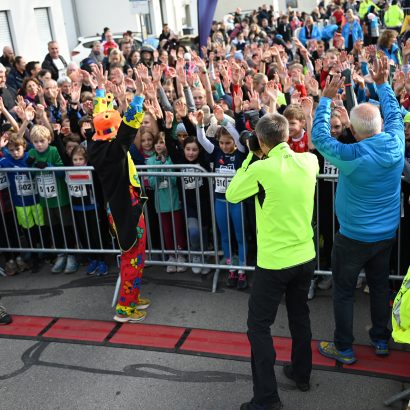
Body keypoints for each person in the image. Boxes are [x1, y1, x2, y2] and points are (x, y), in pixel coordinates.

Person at [312, 57, 404, 364]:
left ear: (354, 129)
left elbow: (319, 138)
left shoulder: (350, 154)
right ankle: (381, 339)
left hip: (353, 237)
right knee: (379, 288)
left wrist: (325, 100)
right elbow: (393, 113)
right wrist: (383, 84)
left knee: (344, 292)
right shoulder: (396, 142)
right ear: (379, 126)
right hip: (385, 235)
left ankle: (344, 347)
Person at [226, 113, 318, 410]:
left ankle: (266, 398)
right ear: (287, 135)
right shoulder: (309, 162)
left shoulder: (260, 168)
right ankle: (302, 373)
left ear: (261, 142)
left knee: (258, 327)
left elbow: (232, 194)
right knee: (299, 315)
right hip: (305, 256)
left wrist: (250, 156)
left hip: (274, 262)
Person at [88, 65, 150, 323]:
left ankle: (132, 295)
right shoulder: (114, 151)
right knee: (132, 257)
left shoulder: (95, 145)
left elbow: (100, 118)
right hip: (126, 209)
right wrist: (139, 95)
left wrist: (101, 89)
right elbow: (128, 127)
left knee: (134, 255)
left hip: (120, 206)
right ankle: (125, 307)